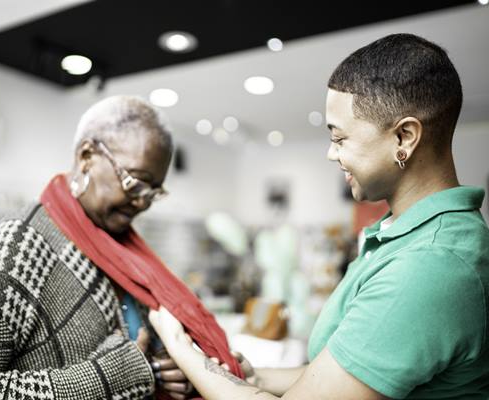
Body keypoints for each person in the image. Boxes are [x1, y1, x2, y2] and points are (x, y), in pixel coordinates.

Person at [149, 33, 489, 399]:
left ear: (404, 137)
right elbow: (343, 372)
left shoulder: (429, 265)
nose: (331, 153)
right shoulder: (402, 236)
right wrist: (252, 376)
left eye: (340, 139)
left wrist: (181, 349)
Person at [0, 95, 241, 400]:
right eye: (135, 182)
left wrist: (166, 368)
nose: (143, 202)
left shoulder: (120, 246)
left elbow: (135, 351)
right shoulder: (21, 243)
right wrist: (114, 375)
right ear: (86, 156)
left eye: (154, 191)